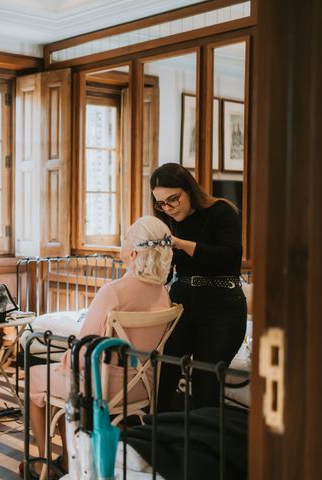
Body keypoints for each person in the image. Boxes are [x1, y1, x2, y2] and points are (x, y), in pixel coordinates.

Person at [22, 216, 173, 479]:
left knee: (36, 377)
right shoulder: (164, 293)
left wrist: (66, 359)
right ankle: (72, 460)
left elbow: (83, 351)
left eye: (124, 239)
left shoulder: (113, 292)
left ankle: (43, 463)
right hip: (144, 387)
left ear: (134, 252)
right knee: (60, 379)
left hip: (102, 389)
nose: (121, 243)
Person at [150, 162, 247, 412]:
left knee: (206, 387)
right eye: (161, 203)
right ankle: (157, 443)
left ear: (189, 189)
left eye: (173, 199)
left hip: (222, 309)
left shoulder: (221, 211)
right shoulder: (165, 220)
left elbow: (228, 257)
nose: (168, 208)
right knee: (164, 375)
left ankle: (205, 448)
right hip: (181, 305)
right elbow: (165, 273)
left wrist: (182, 244)